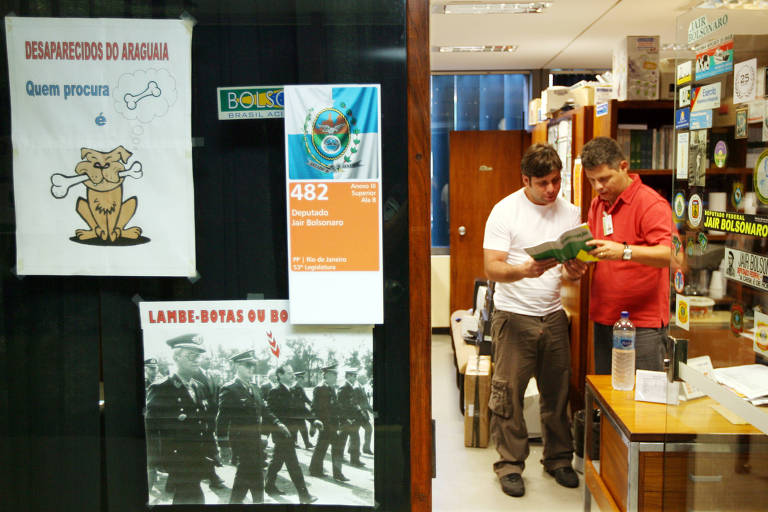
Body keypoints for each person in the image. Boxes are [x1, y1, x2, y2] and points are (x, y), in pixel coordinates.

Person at [482, 143, 585, 498]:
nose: (551, 189)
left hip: (553, 315)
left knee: (557, 394)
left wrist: (575, 270)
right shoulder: (505, 211)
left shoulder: (570, 212)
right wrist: (523, 270)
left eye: (556, 180)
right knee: (508, 395)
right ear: (525, 179)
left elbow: (573, 277)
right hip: (513, 316)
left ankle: (558, 459)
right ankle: (510, 465)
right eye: (542, 183)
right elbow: (491, 267)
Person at [580, 137, 673, 374]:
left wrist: (624, 251)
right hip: (604, 317)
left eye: (604, 179)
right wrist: (576, 259)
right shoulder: (597, 205)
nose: (599, 187)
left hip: (642, 324)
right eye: (592, 181)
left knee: (642, 403)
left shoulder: (650, 203)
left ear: (623, 167)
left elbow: (669, 255)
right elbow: (596, 251)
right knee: (608, 397)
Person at [145, 334, 215, 504]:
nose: (197, 360)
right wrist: (156, 461)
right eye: (191, 356)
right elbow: (150, 428)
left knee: (188, 498)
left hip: (197, 457)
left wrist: (211, 451)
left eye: (198, 356)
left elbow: (204, 423)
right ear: (176, 357)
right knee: (192, 497)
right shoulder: (162, 388)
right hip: (178, 459)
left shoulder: (199, 387)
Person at [216, 350, 288, 504]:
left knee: (250, 475)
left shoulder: (255, 387)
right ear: (237, 366)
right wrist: (223, 445)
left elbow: (265, 409)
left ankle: (249, 502)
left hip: (255, 440)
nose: (251, 369)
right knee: (249, 473)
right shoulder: (230, 389)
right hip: (241, 442)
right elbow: (222, 419)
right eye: (247, 365)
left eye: (252, 365)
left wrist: (277, 422)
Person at [264, 364, 318, 504]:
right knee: (293, 464)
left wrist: (314, 420)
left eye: (292, 373)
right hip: (281, 434)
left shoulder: (293, 391)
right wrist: (278, 424)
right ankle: (304, 495)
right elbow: (269, 412)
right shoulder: (275, 391)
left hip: (291, 433)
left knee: (277, 460)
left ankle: (269, 486)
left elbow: (301, 409)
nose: (292, 375)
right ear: (280, 375)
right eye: (288, 373)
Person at [192, 356, 226, 491]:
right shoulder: (195, 374)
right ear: (199, 360)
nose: (209, 361)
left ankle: (211, 476)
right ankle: (212, 477)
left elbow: (215, 396)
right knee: (206, 446)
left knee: (207, 445)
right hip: (200, 416)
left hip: (210, 416)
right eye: (205, 359)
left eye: (210, 359)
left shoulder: (210, 375)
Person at [309, 365, 347, 481]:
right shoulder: (320, 388)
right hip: (325, 424)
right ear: (327, 375)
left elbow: (334, 406)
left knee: (322, 446)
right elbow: (315, 407)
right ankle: (337, 473)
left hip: (332, 423)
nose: (336, 377)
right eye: (334, 375)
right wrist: (317, 423)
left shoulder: (330, 387)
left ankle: (315, 469)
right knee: (336, 447)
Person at [337, 367, 366, 467]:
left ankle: (344, 457)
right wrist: (347, 418)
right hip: (347, 419)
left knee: (345, 438)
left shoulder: (350, 386)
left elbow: (351, 403)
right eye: (354, 376)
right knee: (350, 439)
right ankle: (353, 460)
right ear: (348, 376)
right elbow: (340, 405)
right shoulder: (344, 387)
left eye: (355, 376)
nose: (355, 377)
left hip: (351, 418)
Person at [291, 371, 314, 449]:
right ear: (296, 378)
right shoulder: (294, 387)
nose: (302, 380)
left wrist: (311, 404)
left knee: (301, 427)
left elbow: (305, 398)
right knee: (298, 427)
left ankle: (305, 443)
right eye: (301, 378)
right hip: (296, 412)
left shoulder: (300, 387)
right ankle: (301, 443)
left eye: (302, 378)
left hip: (301, 411)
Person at [355, 370, 373, 455]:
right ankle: (365, 449)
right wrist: (362, 412)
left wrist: (373, 412)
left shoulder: (361, 387)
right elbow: (356, 402)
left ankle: (354, 449)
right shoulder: (357, 388)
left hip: (361, 414)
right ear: (360, 379)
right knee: (368, 429)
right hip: (359, 414)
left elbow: (365, 402)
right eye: (365, 378)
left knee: (354, 431)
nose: (366, 379)